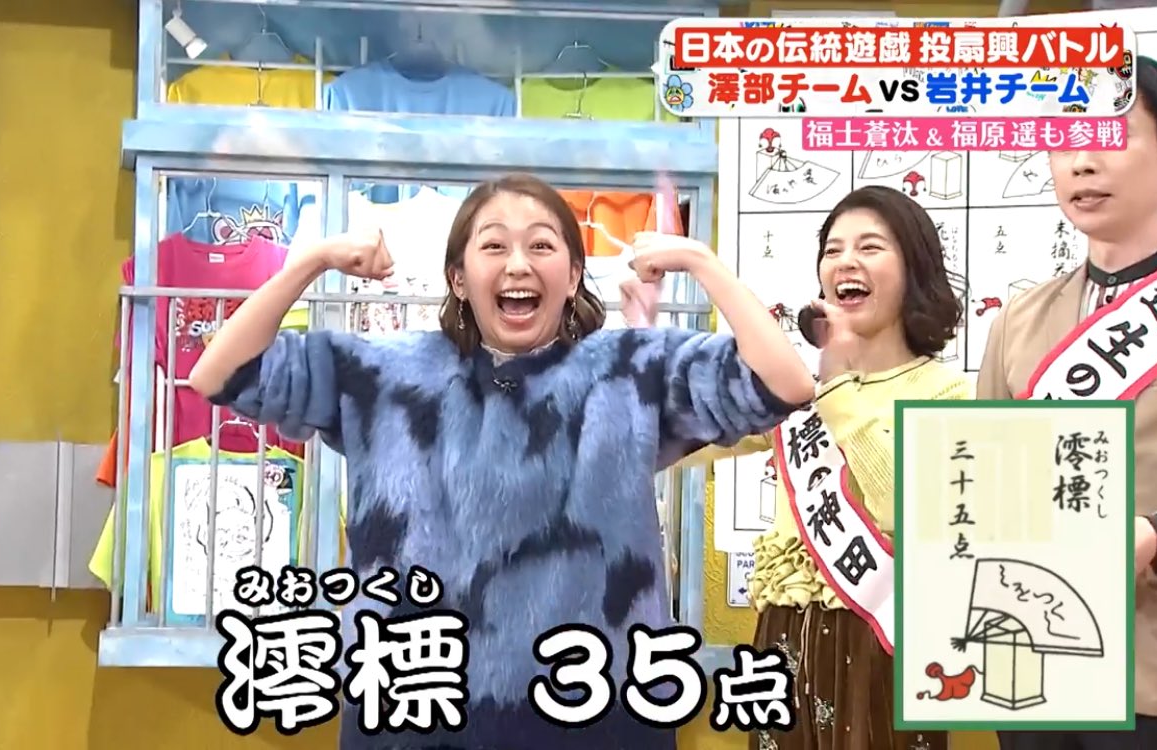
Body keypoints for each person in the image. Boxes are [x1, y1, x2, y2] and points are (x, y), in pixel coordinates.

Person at [188, 173, 815, 749]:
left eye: (542, 245)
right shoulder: (384, 372)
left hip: (598, 708)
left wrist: (703, 263)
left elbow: (785, 383)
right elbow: (219, 374)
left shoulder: (631, 369)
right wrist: (312, 260)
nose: (518, 263)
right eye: (493, 246)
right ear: (459, 278)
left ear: (573, 275)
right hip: (415, 700)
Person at [675, 186, 970, 750]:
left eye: (870, 247)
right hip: (784, 638)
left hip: (881, 643)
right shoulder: (796, 396)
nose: (845, 262)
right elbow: (690, 436)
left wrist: (835, 390)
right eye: (833, 250)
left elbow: (907, 508)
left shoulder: (947, 392)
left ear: (915, 270)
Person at [978, 55, 1157, 749]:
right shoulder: (1018, 320)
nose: (1082, 161)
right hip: (1030, 666)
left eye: (1111, 136)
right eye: (1064, 142)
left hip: (1155, 674)